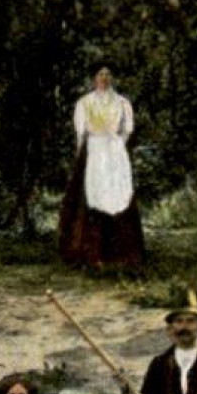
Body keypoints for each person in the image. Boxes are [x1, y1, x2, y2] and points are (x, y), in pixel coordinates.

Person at [58, 68, 146, 269]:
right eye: (100, 75)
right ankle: (88, 255)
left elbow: (127, 131)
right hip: (92, 152)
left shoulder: (123, 103)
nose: (104, 79)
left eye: (107, 75)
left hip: (114, 153)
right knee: (88, 201)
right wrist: (81, 153)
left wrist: (115, 147)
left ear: (112, 78)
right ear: (94, 78)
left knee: (119, 197)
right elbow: (80, 134)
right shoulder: (84, 103)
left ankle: (121, 256)